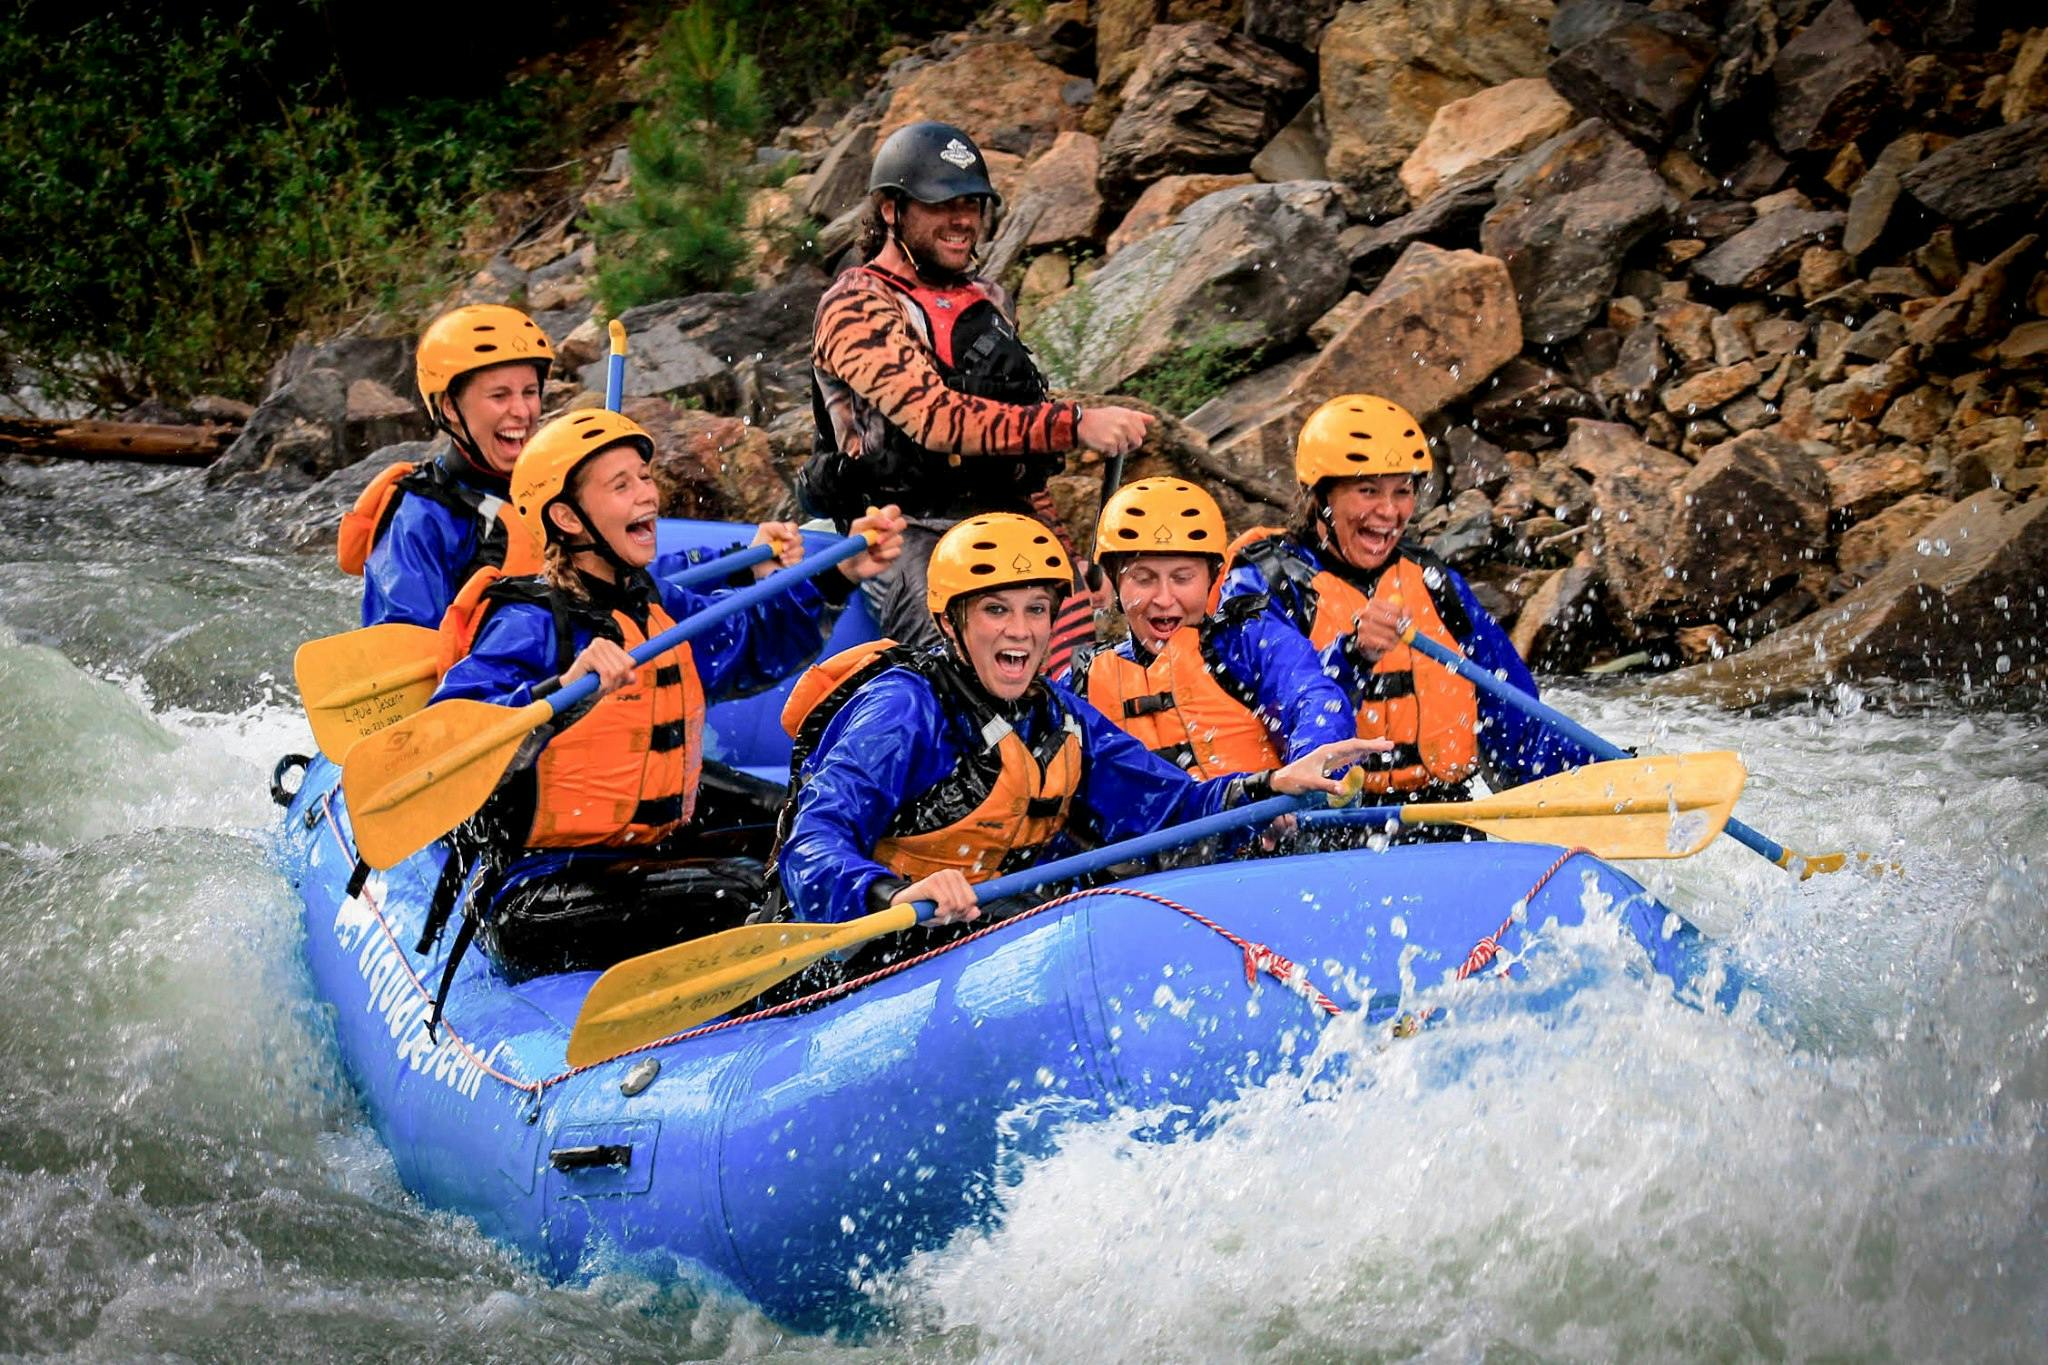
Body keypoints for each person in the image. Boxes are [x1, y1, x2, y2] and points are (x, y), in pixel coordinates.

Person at [419, 408, 906, 998]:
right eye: (620, 486)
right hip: (539, 895)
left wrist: (838, 577)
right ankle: (817, 996)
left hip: (643, 850)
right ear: (569, 518)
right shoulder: (529, 623)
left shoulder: (650, 602)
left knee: (806, 823)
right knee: (747, 894)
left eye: (644, 477)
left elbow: (745, 642)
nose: (647, 495)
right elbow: (449, 741)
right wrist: (560, 692)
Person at [772, 512, 1379, 928]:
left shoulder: (1059, 718)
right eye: (995, 610)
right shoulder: (903, 709)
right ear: (950, 623)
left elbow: (1169, 810)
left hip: (979, 940)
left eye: (1036, 609)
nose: (1019, 630)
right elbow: (815, 840)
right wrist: (889, 896)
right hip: (866, 952)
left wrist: (1270, 787)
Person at [799, 118, 1155, 649]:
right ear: (892, 210)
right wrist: (1076, 424)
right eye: (942, 205)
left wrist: (1067, 552)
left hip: (1009, 517)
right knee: (968, 675)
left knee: (1081, 676)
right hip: (906, 531)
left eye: (971, 204)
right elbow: (934, 418)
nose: (962, 219)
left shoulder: (989, 299)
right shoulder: (856, 303)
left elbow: (1018, 446)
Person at [1219, 394, 1592, 805]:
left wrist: (1599, 779)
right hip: (1321, 821)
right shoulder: (1262, 583)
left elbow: (1517, 719)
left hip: (1439, 813)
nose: (1389, 511)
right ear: (1321, 498)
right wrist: (1353, 656)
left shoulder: (1432, 581)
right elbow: (1281, 704)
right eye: (1367, 490)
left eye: (1403, 491)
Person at [1067, 477, 1353, 777]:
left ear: (1212, 579)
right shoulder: (1082, 681)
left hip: (1266, 819)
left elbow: (1312, 696)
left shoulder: (1247, 642)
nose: (1164, 599)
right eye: (1144, 578)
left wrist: (1313, 760)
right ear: (1115, 581)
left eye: (1182, 578)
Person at [339, 304, 555, 629]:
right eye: (499, 396)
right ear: (451, 407)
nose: (522, 411)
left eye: (530, 392)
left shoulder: (566, 482)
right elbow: (402, 638)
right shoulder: (422, 519)